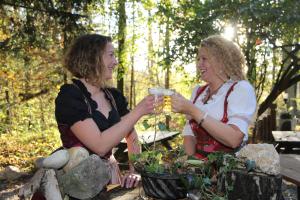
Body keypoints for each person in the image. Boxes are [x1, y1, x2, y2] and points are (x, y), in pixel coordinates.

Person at [55, 34, 160, 191]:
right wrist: (138, 111)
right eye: (111, 55)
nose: (115, 61)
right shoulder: (70, 96)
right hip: (76, 180)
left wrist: (134, 170)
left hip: (110, 175)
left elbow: (131, 137)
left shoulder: (113, 96)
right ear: (92, 58)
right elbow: (100, 146)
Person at [171, 35, 257, 160]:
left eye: (204, 59)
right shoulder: (198, 92)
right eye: (198, 59)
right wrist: (188, 165)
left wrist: (192, 110)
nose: (199, 64)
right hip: (198, 171)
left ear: (221, 61)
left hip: (228, 171)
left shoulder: (240, 89)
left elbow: (234, 139)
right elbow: (189, 135)